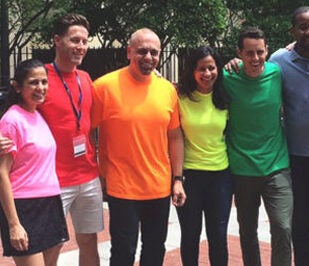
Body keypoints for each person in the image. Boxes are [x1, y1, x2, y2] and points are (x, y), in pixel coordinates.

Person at [226, 6, 309, 266]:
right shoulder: (279, 61)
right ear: (292, 31)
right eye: (302, 27)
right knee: (299, 225)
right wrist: (235, 63)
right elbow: (253, 67)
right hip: (297, 158)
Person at [91, 28, 186, 266]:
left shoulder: (167, 90)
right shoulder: (104, 87)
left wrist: (177, 178)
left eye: (154, 52)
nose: (148, 57)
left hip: (158, 186)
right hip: (122, 187)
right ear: (128, 52)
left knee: (155, 249)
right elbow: (86, 131)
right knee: (123, 250)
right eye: (142, 51)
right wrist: (95, 169)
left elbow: (175, 137)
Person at [37, 14, 103, 266]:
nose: (81, 46)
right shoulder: (40, 78)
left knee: (89, 240)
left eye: (85, 41)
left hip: (88, 176)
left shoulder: (85, 78)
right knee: (52, 245)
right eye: (74, 39)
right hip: (52, 180)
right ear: (57, 40)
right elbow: (16, 113)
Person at [223, 26, 292, 266]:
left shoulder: (277, 73)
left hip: (277, 165)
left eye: (260, 52)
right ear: (239, 53)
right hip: (242, 168)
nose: (255, 58)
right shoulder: (227, 77)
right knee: (247, 232)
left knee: (283, 227)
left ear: (267, 51)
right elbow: (194, 84)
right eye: (249, 53)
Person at [0, 59, 69, 266]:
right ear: (18, 87)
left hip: (50, 202)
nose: (40, 88)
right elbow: (2, 173)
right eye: (33, 82)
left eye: (44, 82)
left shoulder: (38, 115)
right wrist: (14, 224)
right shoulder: (12, 121)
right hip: (24, 207)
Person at [176, 46, 232, 266]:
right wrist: (177, 178)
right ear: (192, 71)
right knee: (190, 235)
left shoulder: (225, 97)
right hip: (190, 175)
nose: (207, 74)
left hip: (221, 176)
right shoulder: (179, 96)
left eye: (211, 68)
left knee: (218, 236)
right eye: (201, 69)